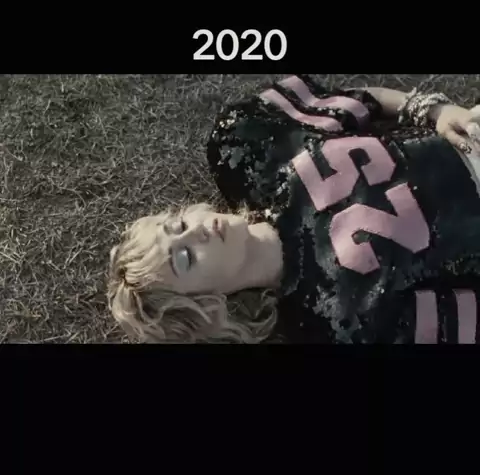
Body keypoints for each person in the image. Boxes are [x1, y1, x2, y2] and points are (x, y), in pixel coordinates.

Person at [108, 76, 480, 345]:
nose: (195, 231)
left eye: (176, 226)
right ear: (208, 306)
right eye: (185, 258)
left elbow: (363, 100)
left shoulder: (246, 150)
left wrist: (435, 110)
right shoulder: (336, 319)